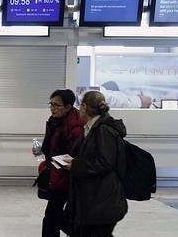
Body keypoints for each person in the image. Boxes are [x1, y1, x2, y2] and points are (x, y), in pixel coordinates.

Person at [63, 91, 128, 237]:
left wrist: (76, 165)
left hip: (101, 201)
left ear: (84, 106)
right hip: (95, 200)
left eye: (80, 106)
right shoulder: (93, 128)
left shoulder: (103, 130)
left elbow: (105, 162)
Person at [40, 89, 84, 237]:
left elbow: (76, 153)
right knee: (53, 216)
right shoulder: (55, 121)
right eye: (51, 104)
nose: (53, 108)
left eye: (57, 105)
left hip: (68, 176)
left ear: (68, 106)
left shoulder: (75, 126)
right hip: (57, 173)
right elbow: (52, 146)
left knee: (53, 217)